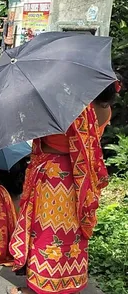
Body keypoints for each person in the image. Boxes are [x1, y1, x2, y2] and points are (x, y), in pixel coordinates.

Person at [7, 81, 118, 294]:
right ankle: (69, 284)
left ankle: (40, 287)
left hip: (53, 177)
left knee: (47, 231)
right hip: (81, 181)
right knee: (71, 234)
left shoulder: (67, 108)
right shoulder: (105, 111)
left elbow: (44, 139)